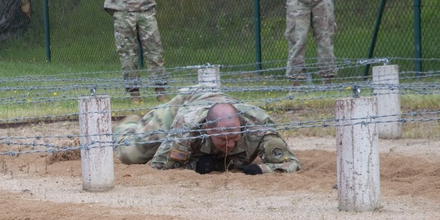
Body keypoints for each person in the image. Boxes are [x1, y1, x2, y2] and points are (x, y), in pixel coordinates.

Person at [113, 88, 301, 174]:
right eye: (222, 139)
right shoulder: (187, 126)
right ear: (207, 130)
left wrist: (260, 169)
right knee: (130, 155)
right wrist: (194, 166)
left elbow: (290, 163)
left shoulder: (259, 125)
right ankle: (130, 123)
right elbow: (160, 166)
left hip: (220, 102)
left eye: (234, 137)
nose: (230, 144)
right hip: (186, 104)